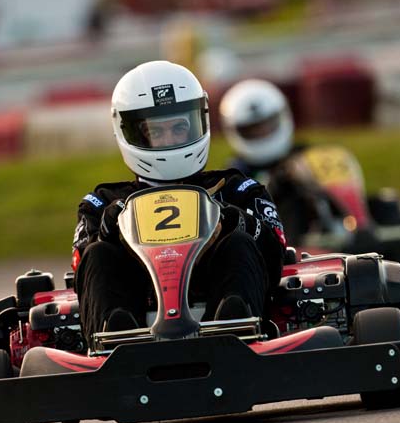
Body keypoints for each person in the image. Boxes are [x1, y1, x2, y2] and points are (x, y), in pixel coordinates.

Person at [72, 61, 286, 338]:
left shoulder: (238, 190)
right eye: (155, 132)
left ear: (199, 121)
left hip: (220, 306)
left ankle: (235, 326)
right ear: (128, 132)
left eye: (179, 128)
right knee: (99, 253)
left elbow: (277, 256)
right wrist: (108, 230)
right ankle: (116, 336)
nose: (168, 140)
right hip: (136, 309)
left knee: (239, 243)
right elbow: (82, 272)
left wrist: (236, 220)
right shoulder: (101, 204)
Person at [219, 78, 321, 240]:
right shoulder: (235, 178)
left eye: (267, 125)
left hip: (322, 235)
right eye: (253, 129)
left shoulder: (308, 156)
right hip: (271, 243)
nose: (262, 133)